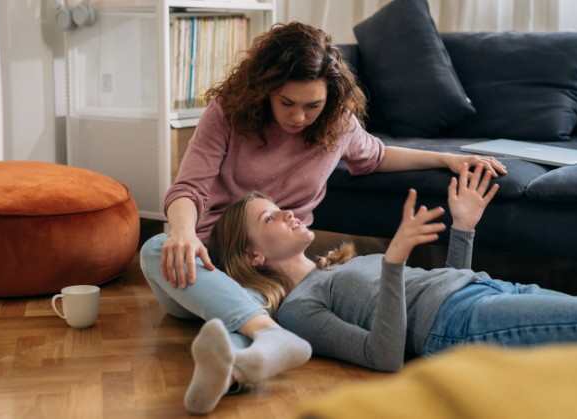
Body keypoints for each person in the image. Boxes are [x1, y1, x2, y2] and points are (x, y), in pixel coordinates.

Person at [139, 21, 506, 414]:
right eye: (287, 103)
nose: (299, 117)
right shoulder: (228, 112)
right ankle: (268, 334)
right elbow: (188, 188)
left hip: (273, 277)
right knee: (155, 248)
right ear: (265, 89)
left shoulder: (337, 122)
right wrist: (182, 233)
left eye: (312, 106)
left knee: (254, 307)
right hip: (207, 262)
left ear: (329, 99)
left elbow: (376, 156)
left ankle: (235, 367)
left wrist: (448, 158)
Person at [206, 162, 577, 377]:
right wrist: (394, 263)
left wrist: (463, 230)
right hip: (464, 324)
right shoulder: (300, 309)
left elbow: (445, 284)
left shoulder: (343, 262)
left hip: (483, 294)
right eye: (271, 217)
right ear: (254, 256)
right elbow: (386, 355)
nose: (290, 212)